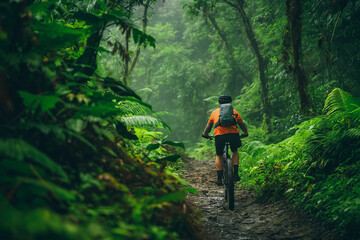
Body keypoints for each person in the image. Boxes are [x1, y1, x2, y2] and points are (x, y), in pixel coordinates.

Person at [202, 94, 248, 186]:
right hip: (233, 135)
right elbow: (241, 124)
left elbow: (208, 126)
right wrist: (245, 133)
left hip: (220, 136)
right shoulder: (234, 111)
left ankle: (219, 179)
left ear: (219, 103)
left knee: (219, 155)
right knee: (234, 151)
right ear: (230, 103)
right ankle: (235, 174)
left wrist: (205, 134)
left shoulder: (214, 112)